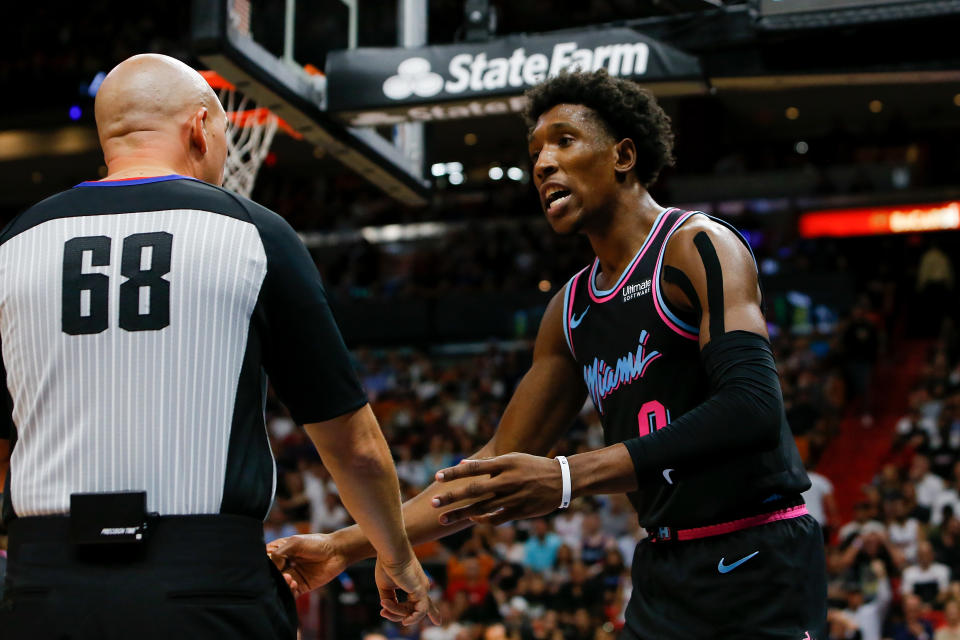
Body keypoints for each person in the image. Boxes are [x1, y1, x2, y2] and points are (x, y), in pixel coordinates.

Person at [269, 70, 825, 638]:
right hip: (664, 568)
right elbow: (493, 467)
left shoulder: (697, 245)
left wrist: (567, 476)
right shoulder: (571, 308)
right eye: (535, 152)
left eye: (563, 140)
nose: (542, 164)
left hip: (757, 554)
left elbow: (753, 407)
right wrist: (346, 545)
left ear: (623, 155)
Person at [0, 54, 437, 638]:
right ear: (200, 127)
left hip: (40, 585)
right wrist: (395, 554)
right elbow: (353, 447)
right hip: (204, 585)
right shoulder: (256, 234)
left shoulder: (13, 244)